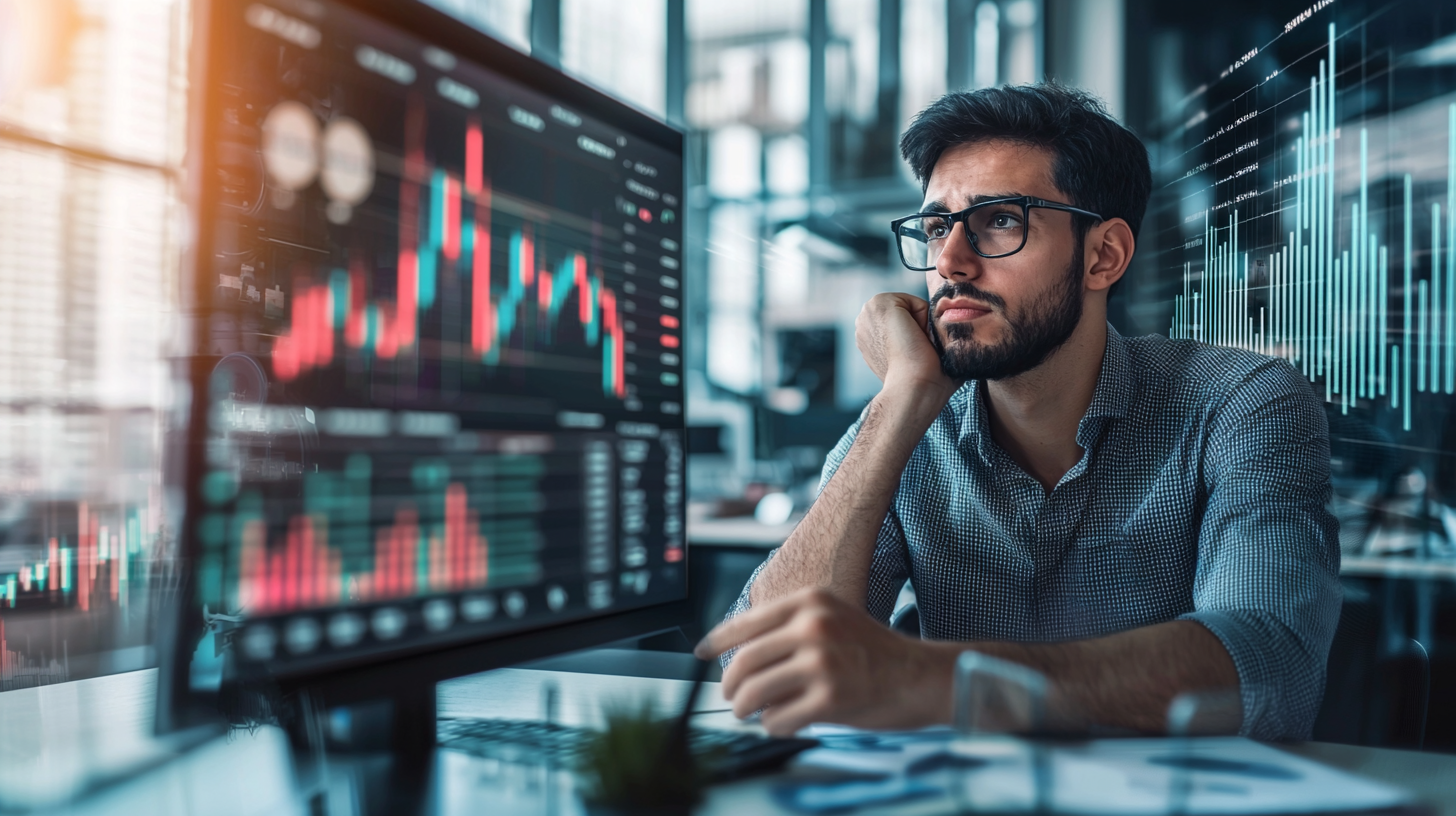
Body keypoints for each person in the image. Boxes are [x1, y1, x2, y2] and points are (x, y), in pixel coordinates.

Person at [694, 84, 1341, 741]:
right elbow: (755, 673)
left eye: (1000, 220)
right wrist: (899, 400)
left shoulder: (1241, 403)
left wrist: (934, 679)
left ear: (1103, 256)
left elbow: (1269, 669)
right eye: (937, 226)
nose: (949, 262)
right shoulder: (909, 423)